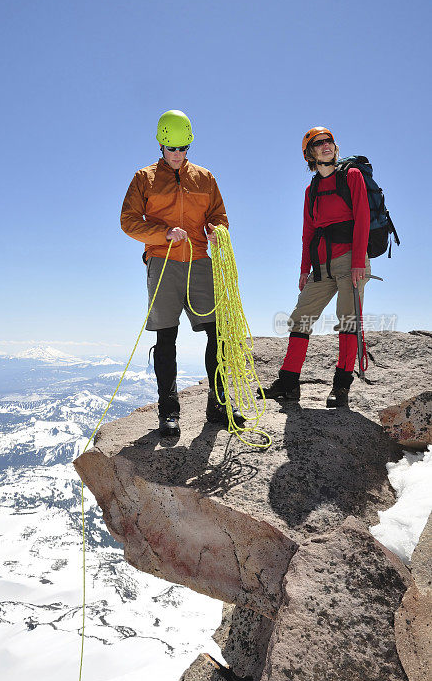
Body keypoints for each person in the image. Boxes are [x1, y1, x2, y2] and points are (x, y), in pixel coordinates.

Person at [121, 109, 245, 436]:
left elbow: (218, 215)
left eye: (183, 148)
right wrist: (162, 234)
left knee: (216, 332)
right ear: (161, 144)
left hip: (200, 260)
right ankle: (169, 410)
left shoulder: (205, 178)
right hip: (163, 261)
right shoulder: (143, 178)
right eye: (172, 148)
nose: (177, 155)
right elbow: (128, 221)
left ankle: (218, 405)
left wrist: (218, 229)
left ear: (189, 145)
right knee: (166, 335)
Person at [260, 126, 371, 407]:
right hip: (321, 265)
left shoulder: (352, 176)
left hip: (350, 260)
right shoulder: (312, 189)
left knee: (347, 320)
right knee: (301, 317)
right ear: (310, 153)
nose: (327, 146)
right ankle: (288, 383)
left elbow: (362, 219)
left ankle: (341, 386)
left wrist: (359, 262)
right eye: (319, 143)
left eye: (329, 141)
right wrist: (303, 269)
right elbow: (307, 232)